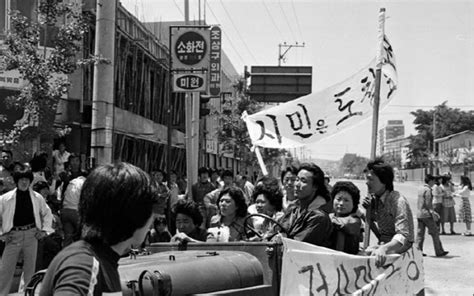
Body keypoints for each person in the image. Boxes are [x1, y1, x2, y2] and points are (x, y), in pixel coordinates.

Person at [40, 162, 159, 295]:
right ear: (134, 215)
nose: (152, 219)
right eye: (150, 211)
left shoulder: (101, 260)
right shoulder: (84, 264)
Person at [0, 165, 53, 294]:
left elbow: (47, 213)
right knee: (6, 270)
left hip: (31, 235)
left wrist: (44, 231)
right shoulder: (5, 199)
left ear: (30, 181)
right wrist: (1, 234)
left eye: (27, 180)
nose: (24, 182)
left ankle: (27, 294)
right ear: (16, 181)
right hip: (13, 236)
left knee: (30, 270)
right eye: (21, 179)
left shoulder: (37, 197)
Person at [363, 159, 415, 267]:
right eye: (366, 179)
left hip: (401, 249)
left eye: (371, 179)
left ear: (384, 181)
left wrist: (384, 249)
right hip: (385, 244)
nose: (367, 182)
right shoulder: (375, 200)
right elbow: (375, 227)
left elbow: (402, 236)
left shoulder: (398, 201)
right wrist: (368, 212)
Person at [277, 163, 333, 247]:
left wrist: (280, 239)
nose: (297, 184)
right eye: (297, 179)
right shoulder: (294, 209)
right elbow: (276, 229)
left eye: (303, 181)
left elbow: (296, 245)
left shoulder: (318, 218)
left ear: (315, 187)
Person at [415, 174, 448, 257]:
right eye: (433, 181)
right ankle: (439, 251)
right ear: (430, 181)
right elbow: (428, 203)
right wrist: (433, 213)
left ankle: (417, 252)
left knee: (420, 234)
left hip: (419, 214)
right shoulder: (428, 190)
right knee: (435, 233)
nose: (434, 183)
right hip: (426, 214)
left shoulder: (421, 189)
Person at [329, 181, 362, 255]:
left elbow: (344, 223)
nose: (341, 203)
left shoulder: (355, 220)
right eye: (338, 199)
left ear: (354, 204)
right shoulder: (329, 216)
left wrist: (326, 219)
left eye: (346, 200)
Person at [61, 173, 87, 247]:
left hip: (65, 211)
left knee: (67, 238)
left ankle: (65, 255)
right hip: (75, 212)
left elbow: (64, 196)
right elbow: (85, 199)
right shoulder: (84, 183)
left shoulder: (72, 182)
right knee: (83, 238)